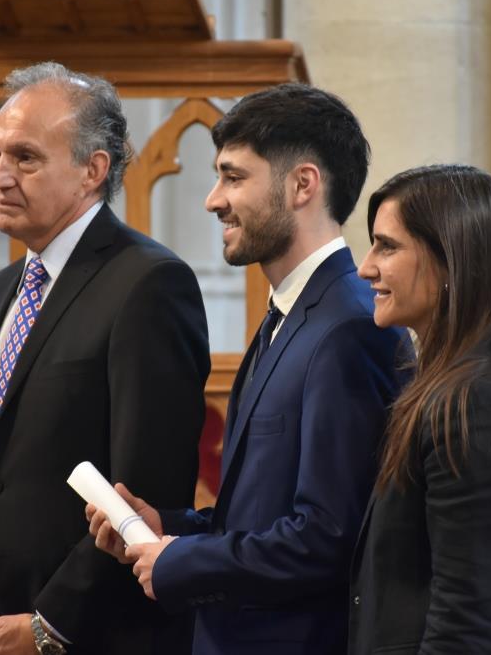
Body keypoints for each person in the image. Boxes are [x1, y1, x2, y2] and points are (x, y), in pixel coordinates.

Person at [87, 83, 409, 655]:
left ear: (302, 184)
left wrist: (182, 562)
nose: (214, 200)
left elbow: (328, 537)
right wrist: (167, 528)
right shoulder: (292, 315)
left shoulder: (347, 327)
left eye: (234, 177)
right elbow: (261, 516)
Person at [0, 62, 211, 655]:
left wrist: (49, 627)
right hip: (1, 626)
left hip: (100, 634)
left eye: (25, 158)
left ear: (93, 170)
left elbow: (143, 491)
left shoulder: (149, 283)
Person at [349, 164, 491, 654]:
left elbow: (464, 624)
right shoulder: (455, 387)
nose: (366, 267)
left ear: (450, 262)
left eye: (387, 246)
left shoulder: (472, 404)